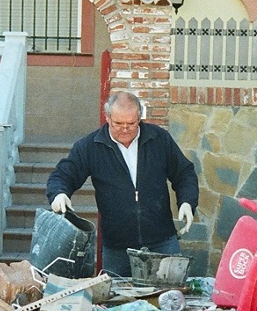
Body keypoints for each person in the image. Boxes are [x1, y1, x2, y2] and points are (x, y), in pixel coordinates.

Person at [46, 91, 198, 278]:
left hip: (162, 240)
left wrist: (187, 201)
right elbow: (63, 175)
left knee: (169, 300)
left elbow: (184, 173)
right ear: (108, 118)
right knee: (118, 302)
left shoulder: (159, 139)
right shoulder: (91, 146)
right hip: (117, 248)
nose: (125, 129)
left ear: (139, 118)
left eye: (131, 124)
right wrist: (59, 193)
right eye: (118, 124)